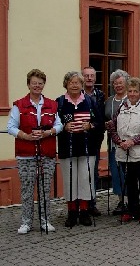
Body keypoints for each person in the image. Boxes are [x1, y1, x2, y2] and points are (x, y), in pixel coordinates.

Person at [7, 69, 63, 234]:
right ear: (28, 84)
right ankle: (26, 222)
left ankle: (45, 221)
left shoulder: (52, 104)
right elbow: (10, 127)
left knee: (45, 188)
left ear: (43, 84)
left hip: (47, 153)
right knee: (27, 188)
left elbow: (59, 125)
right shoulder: (20, 104)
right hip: (26, 154)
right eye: (34, 83)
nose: (37, 86)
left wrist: (48, 132)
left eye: (40, 83)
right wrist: (26, 136)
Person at [56, 71, 101, 227]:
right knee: (70, 181)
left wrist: (91, 125)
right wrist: (63, 126)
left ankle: (84, 212)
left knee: (85, 180)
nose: (74, 85)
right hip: (66, 149)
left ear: (82, 85)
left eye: (77, 82)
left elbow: (99, 122)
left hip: (87, 148)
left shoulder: (90, 101)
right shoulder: (60, 102)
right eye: (71, 82)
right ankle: (71, 213)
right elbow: (53, 125)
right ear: (66, 84)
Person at [108, 77, 140, 224]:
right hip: (123, 152)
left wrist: (132, 141)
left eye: (136, 91)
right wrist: (119, 141)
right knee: (129, 182)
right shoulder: (121, 107)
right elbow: (112, 127)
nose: (132, 94)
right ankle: (133, 211)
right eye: (130, 91)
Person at [105, 69, 130, 215]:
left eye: (121, 82)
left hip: (129, 143)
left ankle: (131, 200)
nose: (118, 85)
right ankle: (122, 200)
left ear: (126, 83)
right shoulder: (109, 101)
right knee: (117, 173)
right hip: (114, 144)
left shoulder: (131, 98)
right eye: (115, 83)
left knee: (128, 173)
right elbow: (103, 120)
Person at [82, 66, 105, 217]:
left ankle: (92, 203)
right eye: (87, 76)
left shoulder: (100, 95)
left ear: (95, 78)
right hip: (79, 139)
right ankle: (80, 204)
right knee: (81, 173)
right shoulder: (77, 94)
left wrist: (96, 127)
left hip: (95, 139)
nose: (89, 78)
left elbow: (101, 118)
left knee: (93, 173)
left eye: (92, 76)